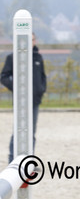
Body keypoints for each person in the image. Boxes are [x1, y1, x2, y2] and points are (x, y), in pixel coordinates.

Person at [1, 33, 46, 162]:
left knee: (31, 131)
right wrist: (16, 87)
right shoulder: (12, 58)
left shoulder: (38, 58)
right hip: (21, 101)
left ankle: (29, 160)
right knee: (19, 129)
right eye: (28, 40)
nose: (31, 42)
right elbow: (3, 76)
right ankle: (12, 159)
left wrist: (41, 89)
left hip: (35, 100)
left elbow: (43, 77)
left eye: (32, 40)